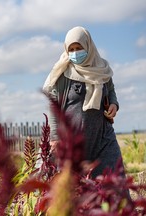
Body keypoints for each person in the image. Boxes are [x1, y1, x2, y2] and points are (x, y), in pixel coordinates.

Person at [42, 26, 126, 178]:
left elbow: (111, 89)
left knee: (114, 181)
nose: (75, 53)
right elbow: (53, 106)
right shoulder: (62, 73)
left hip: (102, 139)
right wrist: (55, 137)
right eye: (71, 49)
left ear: (88, 45)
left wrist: (114, 104)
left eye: (78, 48)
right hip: (73, 142)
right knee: (76, 190)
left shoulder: (101, 69)